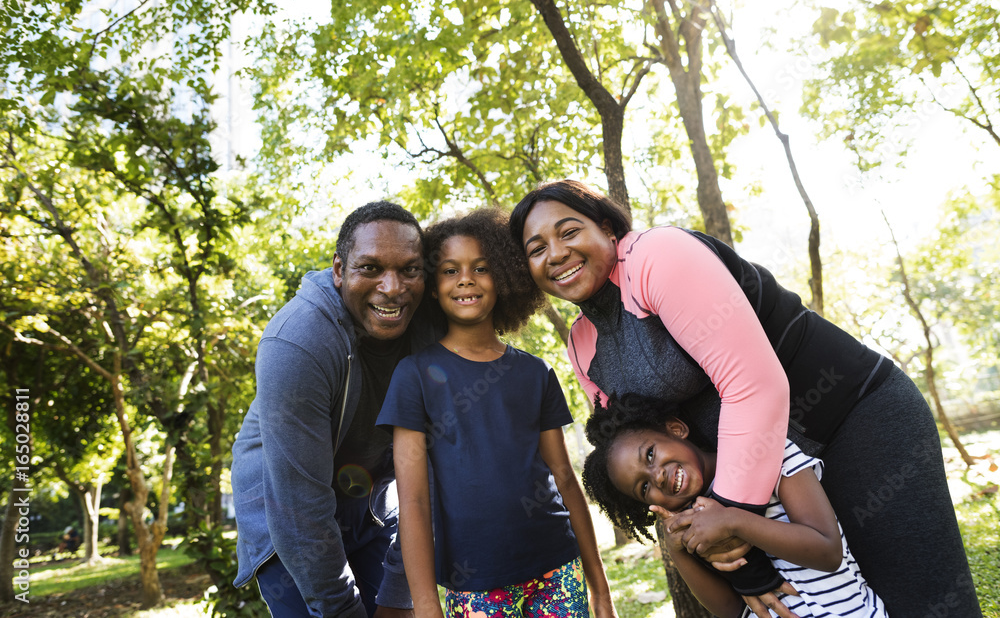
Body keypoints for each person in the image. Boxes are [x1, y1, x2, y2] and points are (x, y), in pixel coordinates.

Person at [510, 179, 982, 618]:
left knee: (927, 603)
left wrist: (732, 528)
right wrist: (733, 555)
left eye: (569, 231)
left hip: (853, 422)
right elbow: (635, 444)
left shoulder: (659, 255)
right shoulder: (582, 344)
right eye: (536, 249)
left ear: (608, 229)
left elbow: (754, 386)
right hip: (764, 480)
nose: (556, 253)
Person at [376, 207, 617, 618]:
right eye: (450, 270)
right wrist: (426, 606)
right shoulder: (413, 376)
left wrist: (600, 588)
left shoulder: (535, 372)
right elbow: (412, 501)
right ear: (433, 288)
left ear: (503, 278)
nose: (466, 278)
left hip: (558, 569)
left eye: (481, 267)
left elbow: (564, 478)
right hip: (473, 588)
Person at [231, 201, 443, 618]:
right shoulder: (297, 342)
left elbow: (435, 476)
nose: (393, 287)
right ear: (339, 271)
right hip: (285, 517)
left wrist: (398, 598)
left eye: (410, 269)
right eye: (371, 268)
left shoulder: (435, 330)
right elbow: (299, 509)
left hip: (371, 507)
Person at [583, 393, 887, 618]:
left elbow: (828, 552)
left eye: (650, 454)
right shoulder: (694, 524)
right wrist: (678, 551)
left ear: (676, 429)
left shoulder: (767, 454)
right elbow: (732, 612)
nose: (657, 476)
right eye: (644, 487)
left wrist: (732, 521)